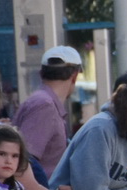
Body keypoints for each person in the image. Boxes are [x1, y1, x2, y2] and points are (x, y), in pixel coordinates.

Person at [13, 45, 81, 181]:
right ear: (74, 76)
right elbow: (25, 162)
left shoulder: (42, 102)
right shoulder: (44, 105)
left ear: (41, 73)